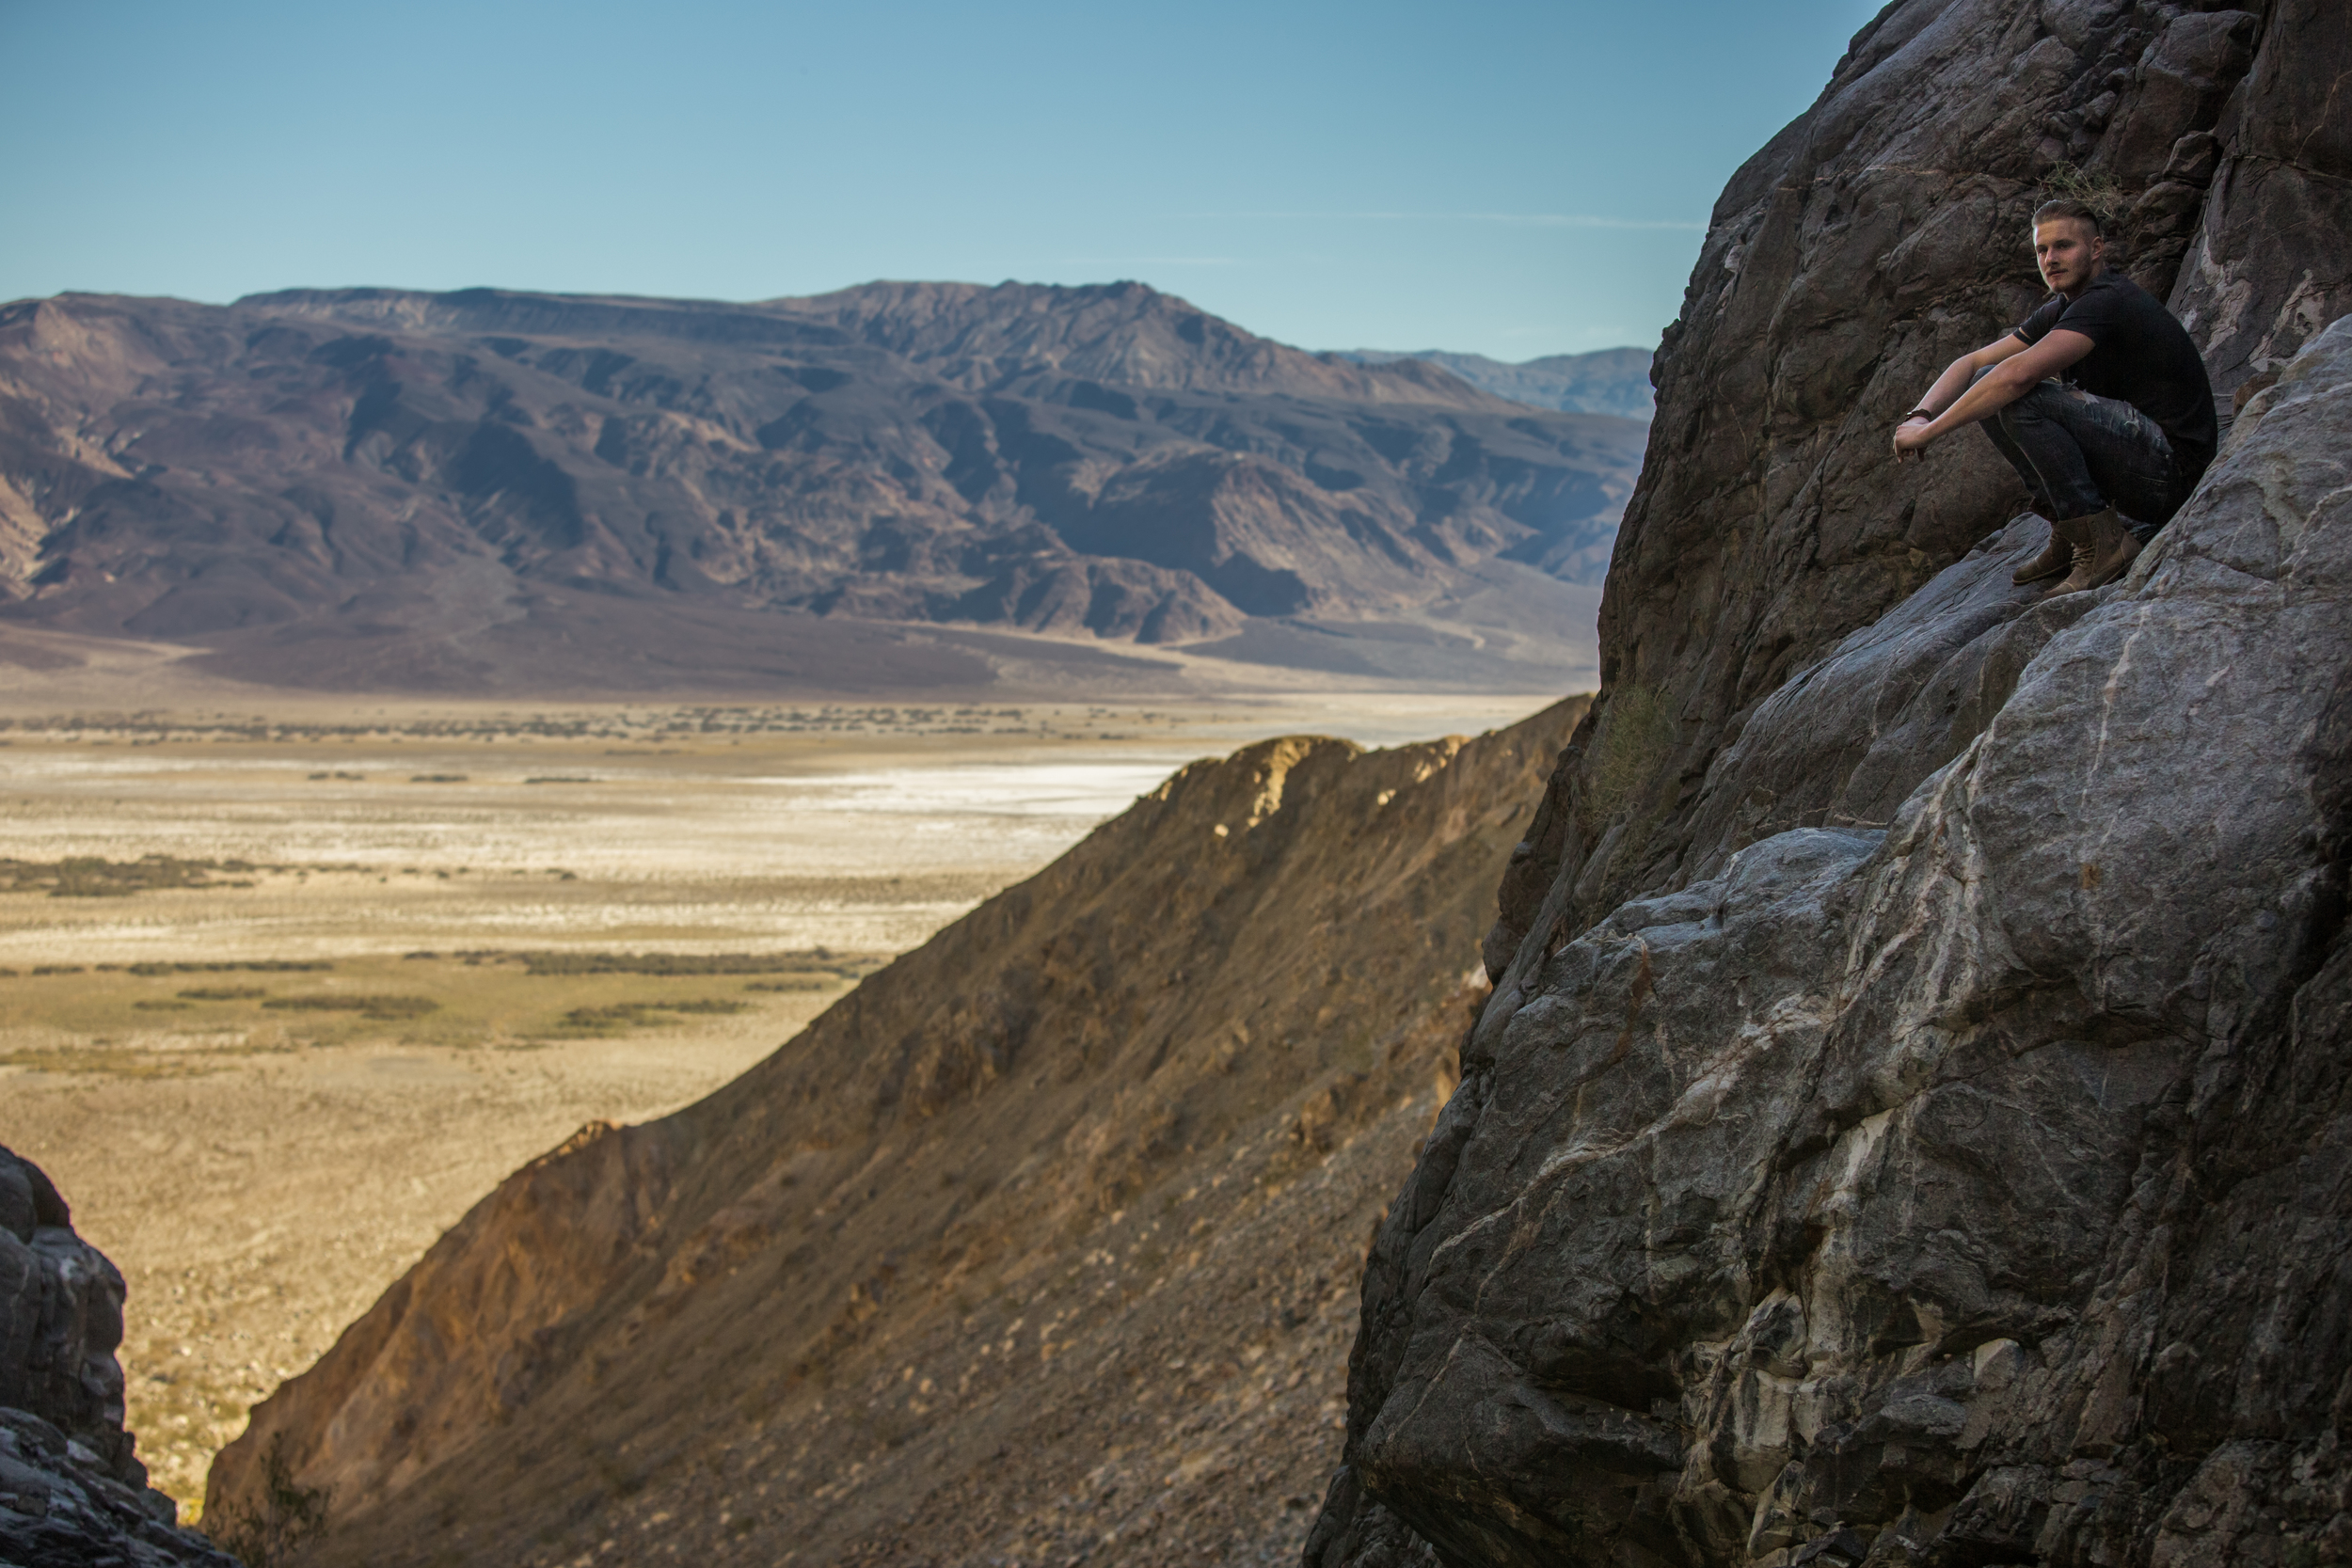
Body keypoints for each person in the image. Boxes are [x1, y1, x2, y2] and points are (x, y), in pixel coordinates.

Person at [1891, 198, 2217, 594]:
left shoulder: (2107, 299)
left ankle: (2103, 544)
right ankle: (2072, 532)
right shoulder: (2062, 307)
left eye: (2063, 246)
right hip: (2141, 465)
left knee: (2016, 393)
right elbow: (1971, 362)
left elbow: (2018, 376)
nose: (2050, 258)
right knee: (1988, 379)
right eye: (2042, 250)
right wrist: (1921, 413)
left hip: (2174, 474)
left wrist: (1929, 434)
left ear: (2096, 249)